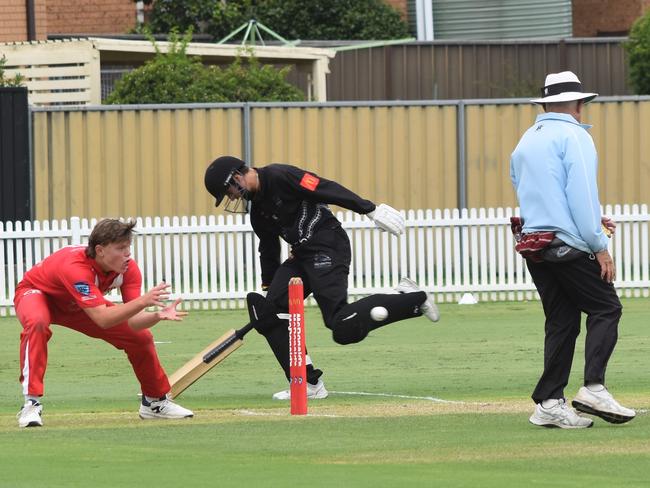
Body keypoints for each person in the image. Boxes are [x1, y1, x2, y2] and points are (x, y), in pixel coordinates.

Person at [204, 156, 440, 399]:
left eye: (228, 191)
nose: (231, 198)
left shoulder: (279, 175)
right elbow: (268, 248)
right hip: (302, 257)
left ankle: (410, 297)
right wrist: (269, 288)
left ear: (235, 176)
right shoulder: (258, 211)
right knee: (268, 311)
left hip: (328, 246)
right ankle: (307, 383)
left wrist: (369, 209)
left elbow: (324, 188)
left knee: (342, 326)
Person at [510, 71, 635, 429]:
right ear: (579, 104)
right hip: (568, 243)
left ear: (545, 104)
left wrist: (591, 219)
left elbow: (525, 187)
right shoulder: (574, 136)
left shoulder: (527, 139)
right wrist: (599, 244)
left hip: (535, 243)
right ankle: (594, 386)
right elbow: (581, 194)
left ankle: (550, 402)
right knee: (606, 308)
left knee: (562, 321)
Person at [15, 219, 194, 428]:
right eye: (120, 248)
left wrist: (157, 315)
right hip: (38, 294)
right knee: (37, 322)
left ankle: (154, 402)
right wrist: (143, 301)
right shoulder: (75, 267)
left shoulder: (128, 269)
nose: (127, 254)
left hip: (77, 305)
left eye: (128, 247)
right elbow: (103, 319)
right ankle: (31, 403)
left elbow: (135, 324)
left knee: (140, 337)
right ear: (100, 250)